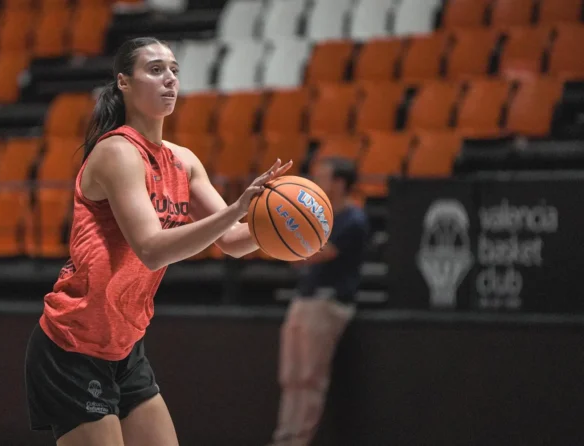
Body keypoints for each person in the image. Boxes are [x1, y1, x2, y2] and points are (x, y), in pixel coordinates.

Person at [24, 37, 292, 446]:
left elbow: (233, 241)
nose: (170, 79)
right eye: (155, 70)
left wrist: (283, 227)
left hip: (125, 346)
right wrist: (239, 207)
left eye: (174, 71)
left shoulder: (183, 161)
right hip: (73, 344)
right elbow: (150, 249)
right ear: (124, 82)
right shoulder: (117, 152)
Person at [270, 157, 369, 446]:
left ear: (340, 183)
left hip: (327, 303)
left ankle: (298, 439)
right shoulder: (318, 217)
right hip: (304, 298)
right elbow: (296, 256)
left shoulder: (353, 219)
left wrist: (289, 242)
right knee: (290, 375)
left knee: (310, 377)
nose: (317, 183)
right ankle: (283, 437)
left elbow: (314, 254)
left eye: (323, 177)